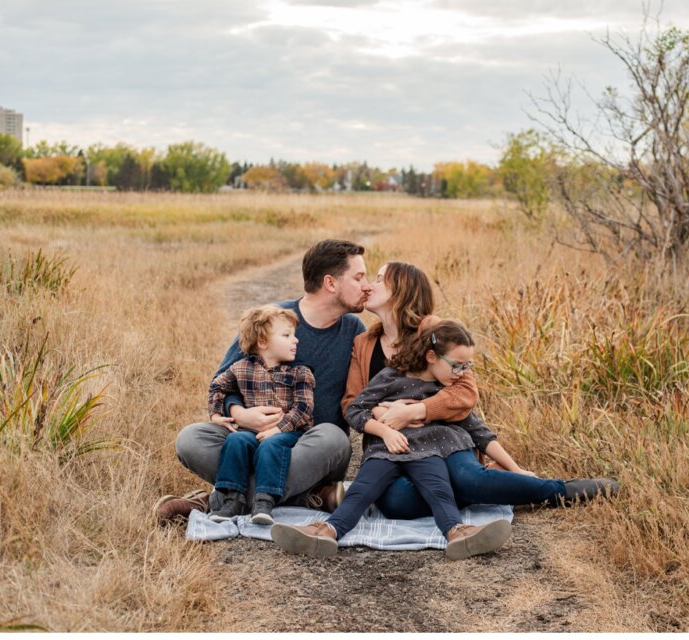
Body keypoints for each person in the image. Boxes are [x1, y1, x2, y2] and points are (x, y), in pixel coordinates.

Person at [341, 261, 619, 520]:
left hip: (443, 437)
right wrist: (384, 412)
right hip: (394, 447)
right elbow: (352, 403)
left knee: (468, 478)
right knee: (397, 502)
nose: (368, 286)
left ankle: (557, 490)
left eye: (378, 279)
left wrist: (417, 410)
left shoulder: (433, 331)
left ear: (402, 291)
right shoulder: (363, 342)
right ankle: (489, 488)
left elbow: (465, 393)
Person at [160, 239, 372, 522]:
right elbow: (224, 383)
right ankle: (308, 496)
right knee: (190, 439)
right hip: (252, 439)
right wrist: (241, 414)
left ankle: (218, 499)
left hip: (308, 449)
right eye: (359, 277)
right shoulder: (271, 321)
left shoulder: (354, 331)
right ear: (330, 283)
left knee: (334, 438)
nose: (367, 285)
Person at [271, 320, 512, 560]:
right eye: (458, 366)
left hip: (426, 448)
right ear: (430, 356)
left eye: (465, 367)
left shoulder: (448, 384)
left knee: (439, 489)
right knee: (361, 489)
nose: (461, 373)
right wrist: (384, 429)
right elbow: (355, 410)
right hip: (385, 448)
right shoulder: (391, 376)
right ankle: (325, 531)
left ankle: (458, 533)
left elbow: (471, 417)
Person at [206, 306, 315, 525]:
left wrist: (278, 428)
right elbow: (217, 386)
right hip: (251, 431)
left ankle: (264, 501)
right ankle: (232, 500)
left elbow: (304, 408)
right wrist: (216, 415)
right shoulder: (241, 368)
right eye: (286, 336)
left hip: (289, 432)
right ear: (263, 342)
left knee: (271, 445)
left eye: (294, 335)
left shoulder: (299, 372)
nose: (296, 341)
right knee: (235, 440)